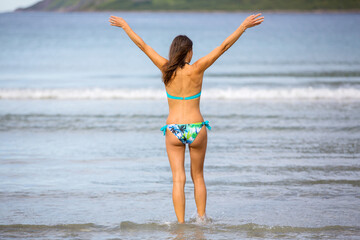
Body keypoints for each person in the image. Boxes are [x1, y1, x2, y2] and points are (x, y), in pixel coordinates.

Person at [109, 13, 264, 223]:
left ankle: (180, 225)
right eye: (192, 50)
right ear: (188, 52)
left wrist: (125, 26)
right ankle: (201, 220)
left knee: (178, 179)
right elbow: (224, 46)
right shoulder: (198, 68)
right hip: (196, 128)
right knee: (198, 177)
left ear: (174, 51)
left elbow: (143, 46)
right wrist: (243, 26)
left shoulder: (165, 69)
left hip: (173, 129)